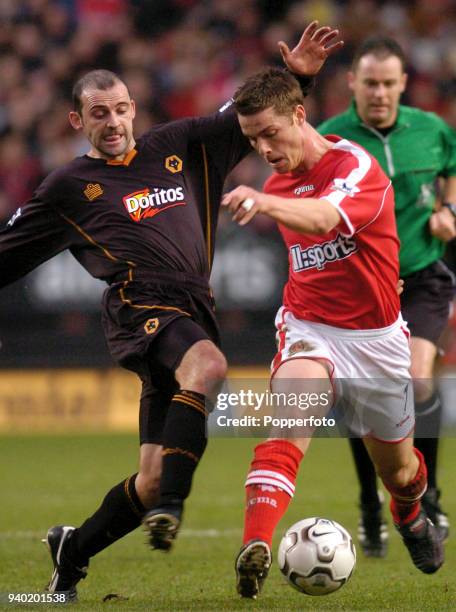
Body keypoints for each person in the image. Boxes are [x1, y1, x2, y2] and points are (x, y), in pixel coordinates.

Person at [0, 22, 343, 601]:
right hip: (140, 309)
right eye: (97, 113)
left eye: (118, 110)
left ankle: (73, 550)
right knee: (208, 367)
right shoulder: (67, 188)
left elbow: (249, 112)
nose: (111, 122)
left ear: (133, 109)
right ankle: (174, 514)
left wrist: (299, 74)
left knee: (153, 478)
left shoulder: (181, 143)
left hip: (191, 309)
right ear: (76, 121)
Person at [222, 66, 445, 599]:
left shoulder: (357, 167)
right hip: (309, 328)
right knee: (286, 424)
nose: (264, 149)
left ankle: (409, 513)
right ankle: (254, 546)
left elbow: (323, 219)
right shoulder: (277, 181)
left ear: (299, 116)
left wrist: (263, 200)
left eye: (270, 133)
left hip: (377, 340)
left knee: (401, 469)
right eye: (253, 140)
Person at [317, 36, 456, 557]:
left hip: (420, 275)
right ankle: (371, 503)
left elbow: (451, 169)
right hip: (361, 285)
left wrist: (449, 210)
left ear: (403, 84)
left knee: (417, 381)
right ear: (352, 83)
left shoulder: (433, 129)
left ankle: (429, 493)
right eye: (369, 82)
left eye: (388, 83)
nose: (378, 92)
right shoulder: (330, 140)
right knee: (361, 398)